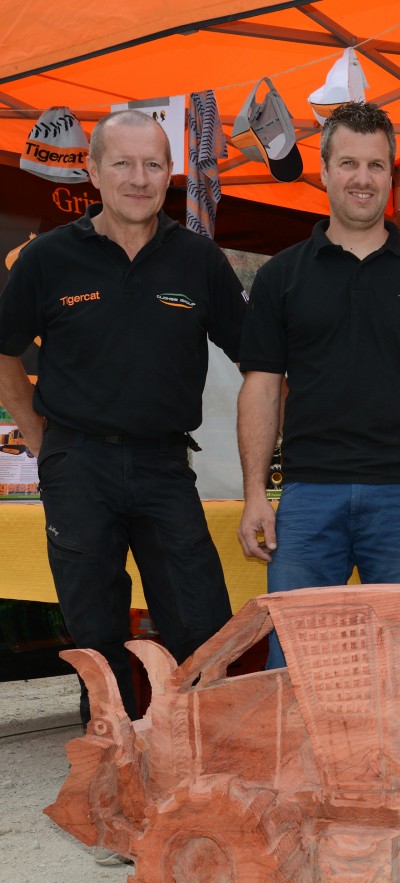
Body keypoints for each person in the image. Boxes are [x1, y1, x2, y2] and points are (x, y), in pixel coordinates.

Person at [0, 109, 246, 743]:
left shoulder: (199, 261)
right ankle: (112, 778)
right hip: (77, 464)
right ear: (93, 170)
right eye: (123, 163)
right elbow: (4, 351)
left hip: (166, 465)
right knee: (96, 633)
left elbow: (263, 358)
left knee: (201, 623)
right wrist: (35, 437)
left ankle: (202, 772)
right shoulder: (48, 258)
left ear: (170, 172)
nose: (139, 178)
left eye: (154, 164)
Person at [237, 101, 400, 667]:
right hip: (306, 497)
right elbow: (261, 388)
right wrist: (256, 495)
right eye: (348, 163)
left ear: (391, 175)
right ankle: (303, 760)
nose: (362, 178)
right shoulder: (282, 275)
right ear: (323, 171)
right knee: (298, 662)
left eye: (376, 165)